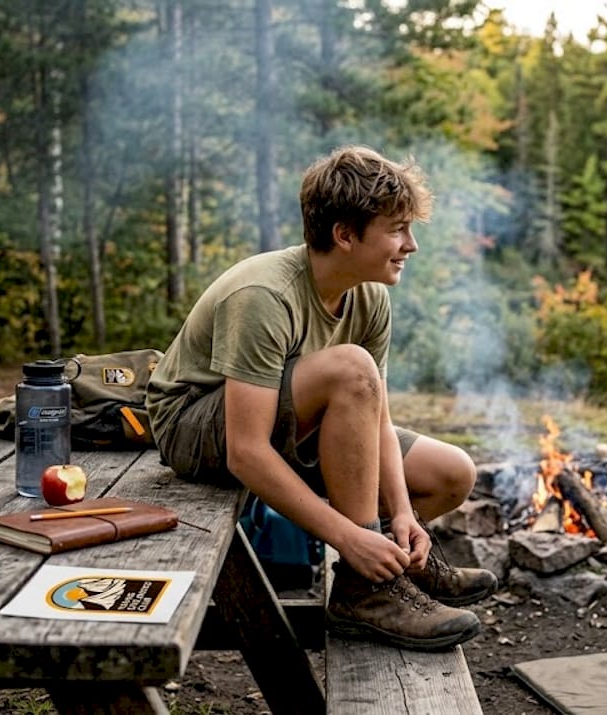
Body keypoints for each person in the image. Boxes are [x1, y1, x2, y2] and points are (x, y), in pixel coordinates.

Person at [146, 145, 496, 650]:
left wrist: (401, 513)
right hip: (196, 429)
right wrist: (348, 538)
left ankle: (388, 569)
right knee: (351, 367)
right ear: (345, 235)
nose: (411, 245)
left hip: (291, 426)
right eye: (397, 229)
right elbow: (247, 451)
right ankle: (366, 591)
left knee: (451, 474)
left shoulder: (370, 293)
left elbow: (375, 417)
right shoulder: (264, 296)